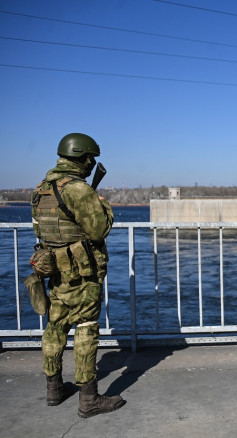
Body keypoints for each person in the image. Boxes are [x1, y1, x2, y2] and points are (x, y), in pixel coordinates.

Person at [30, 133, 124, 418]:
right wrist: (102, 204)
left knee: (55, 328)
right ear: (82, 158)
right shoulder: (78, 190)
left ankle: (54, 388)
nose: (91, 163)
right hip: (82, 275)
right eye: (90, 159)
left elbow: (41, 231)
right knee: (85, 328)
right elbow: (99, 229)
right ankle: (89, 398)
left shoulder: (41, 189)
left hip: (56, 273)